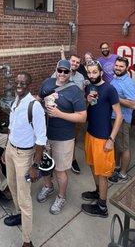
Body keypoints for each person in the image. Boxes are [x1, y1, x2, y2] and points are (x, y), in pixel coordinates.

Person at [3, 72, 47, 247]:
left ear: (29, 85)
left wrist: (35, 165)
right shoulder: (16, 100)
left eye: (23, 83)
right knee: (12, 186)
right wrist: (6, 149)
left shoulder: (34, 106)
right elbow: (12, 128)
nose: (19, 85)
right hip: (11, 150)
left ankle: (27, 240)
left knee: (24, 197)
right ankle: (19, 215)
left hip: (24, 156)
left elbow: (41, 139)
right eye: (17, 82)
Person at [37, 60, 87, 215]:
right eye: (60, 70)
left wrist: (60, 114)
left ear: (70, 73)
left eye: (66, 71)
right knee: (44, 165)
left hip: (63, 137)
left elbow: (82, 117)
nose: (63, 74)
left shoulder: (75, 91)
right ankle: (48, 186)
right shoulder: (47, 82)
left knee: (60, 170)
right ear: (56, 69)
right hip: (44, 134)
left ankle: (61, 196)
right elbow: (38, 98)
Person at [81, 61, 123, 218]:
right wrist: (88, 101)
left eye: (94, 72)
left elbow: (119, 115)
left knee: (103, 174)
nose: (91, 75)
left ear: (100, 72)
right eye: (89, 72)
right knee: (92, 167)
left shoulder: (110, 89)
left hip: (103, 137)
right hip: (90, 133)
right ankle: (98, 192)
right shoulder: (89, 87)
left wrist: (111, 139)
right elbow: (87, 108)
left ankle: (102, 207)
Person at [56, 49, 86, 174]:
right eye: (73, 61)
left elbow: (80, 94)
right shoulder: (59, 73)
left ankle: (72, 160)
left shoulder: (80, 77)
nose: (75, 64)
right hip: (58, 112)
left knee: (72, 137)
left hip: (74, 113)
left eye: (77, 62)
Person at [109, 57, 135, 184]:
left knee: (124, 148)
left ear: (127, 68)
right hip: (113, 118)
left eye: (121, 66)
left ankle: (123, 174)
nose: (118, 68)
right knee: (117, 145)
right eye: (117, 65)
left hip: (122, 120)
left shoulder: (129, 83)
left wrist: (115, 98)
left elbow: (133, 104)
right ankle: (116, 168)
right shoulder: (116, 78)